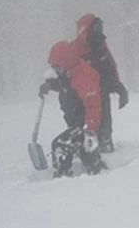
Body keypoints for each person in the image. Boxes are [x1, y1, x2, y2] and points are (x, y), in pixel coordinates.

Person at [39, 41, 107, 177]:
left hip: (85, 124)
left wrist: (90, 129)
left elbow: (93, 105)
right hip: (76, 123)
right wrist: (50, 86)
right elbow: (65, 85)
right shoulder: (69, 73)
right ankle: (94, 168)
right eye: (53, 67)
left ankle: (64, 178)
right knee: (83, 152)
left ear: (66, 62)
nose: (55, 70)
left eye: (57, 66)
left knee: (61, 145)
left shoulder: (84, 76)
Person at [73, 14, 128, 153]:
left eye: (100, 27)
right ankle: (84, 150)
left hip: (102, 91)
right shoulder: (75, 50)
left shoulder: (101, 45)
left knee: (105, 123)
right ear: (86, 30)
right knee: (81, 125)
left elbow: (110, 67)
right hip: (82, 98)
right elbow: (64, 70)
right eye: (97, 28)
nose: (100, 31)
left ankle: (105, 146)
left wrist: (118, 87)